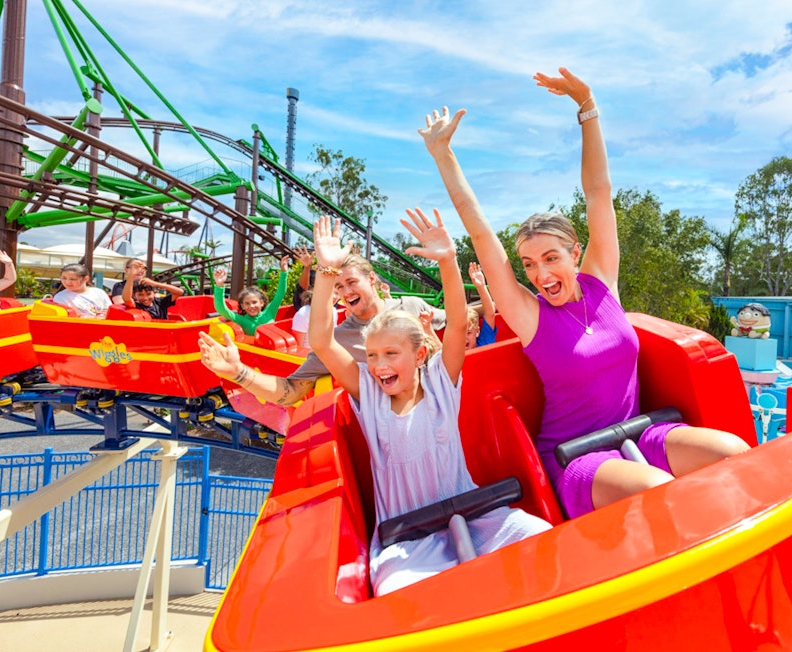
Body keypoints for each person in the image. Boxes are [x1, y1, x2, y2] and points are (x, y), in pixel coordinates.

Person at [420, 67, 751, 519]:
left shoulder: (602, 285)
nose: (541, 274)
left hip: (639, 432)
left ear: (575, 253)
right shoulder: (531, 315)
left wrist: (587, 107)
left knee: (734, 453)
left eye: (551, 258)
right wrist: (443, 155)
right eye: (530, 264)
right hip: (576, 458)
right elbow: (480, 234)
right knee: (659, 491)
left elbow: (599, 193)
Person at [306, 210, 550, 595]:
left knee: (542, 537)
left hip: (474, 518)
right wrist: (326, 270)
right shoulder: (368, 393)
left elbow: (456, 323)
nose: (379, 366)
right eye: (371, 356)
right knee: (400, 593)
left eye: (390, 354)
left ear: (419, 356)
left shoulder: (440, 380)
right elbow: (321, 340)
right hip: (406, 537)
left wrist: (449, 261)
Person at [198, 253, 445, 408]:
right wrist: (238, 371)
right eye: (339, 287)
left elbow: (462, 322)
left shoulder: (410, 306)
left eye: (351, 282)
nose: (346, 292)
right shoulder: (336, 340)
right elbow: (291, 391)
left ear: (371, 279)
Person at [211, 256, 290, 336]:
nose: (251, 306)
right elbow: (222, 309)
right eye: (247, 303)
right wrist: (219, 285)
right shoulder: (242, 320)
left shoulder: (269, 312)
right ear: (242, 306)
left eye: (254, 302)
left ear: (261, 303)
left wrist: (284, 272)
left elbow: (280, 293)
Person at [120, 261, 185, 319]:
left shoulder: (160, 302)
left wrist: (155, 284)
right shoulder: (137, 306)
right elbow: (127, 299)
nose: (145, 298)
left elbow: (180, 292)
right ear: (134, 295)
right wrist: (132, 275)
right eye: (140, 295)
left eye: (148, 294)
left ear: (154, 292)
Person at [467, 262, 497, 348]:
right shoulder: (452, 353)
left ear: (477, 332)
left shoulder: (484, 342)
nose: (464, 338)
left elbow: (490, 313)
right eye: (460, 334)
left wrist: (481, 287)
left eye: (469, 333)